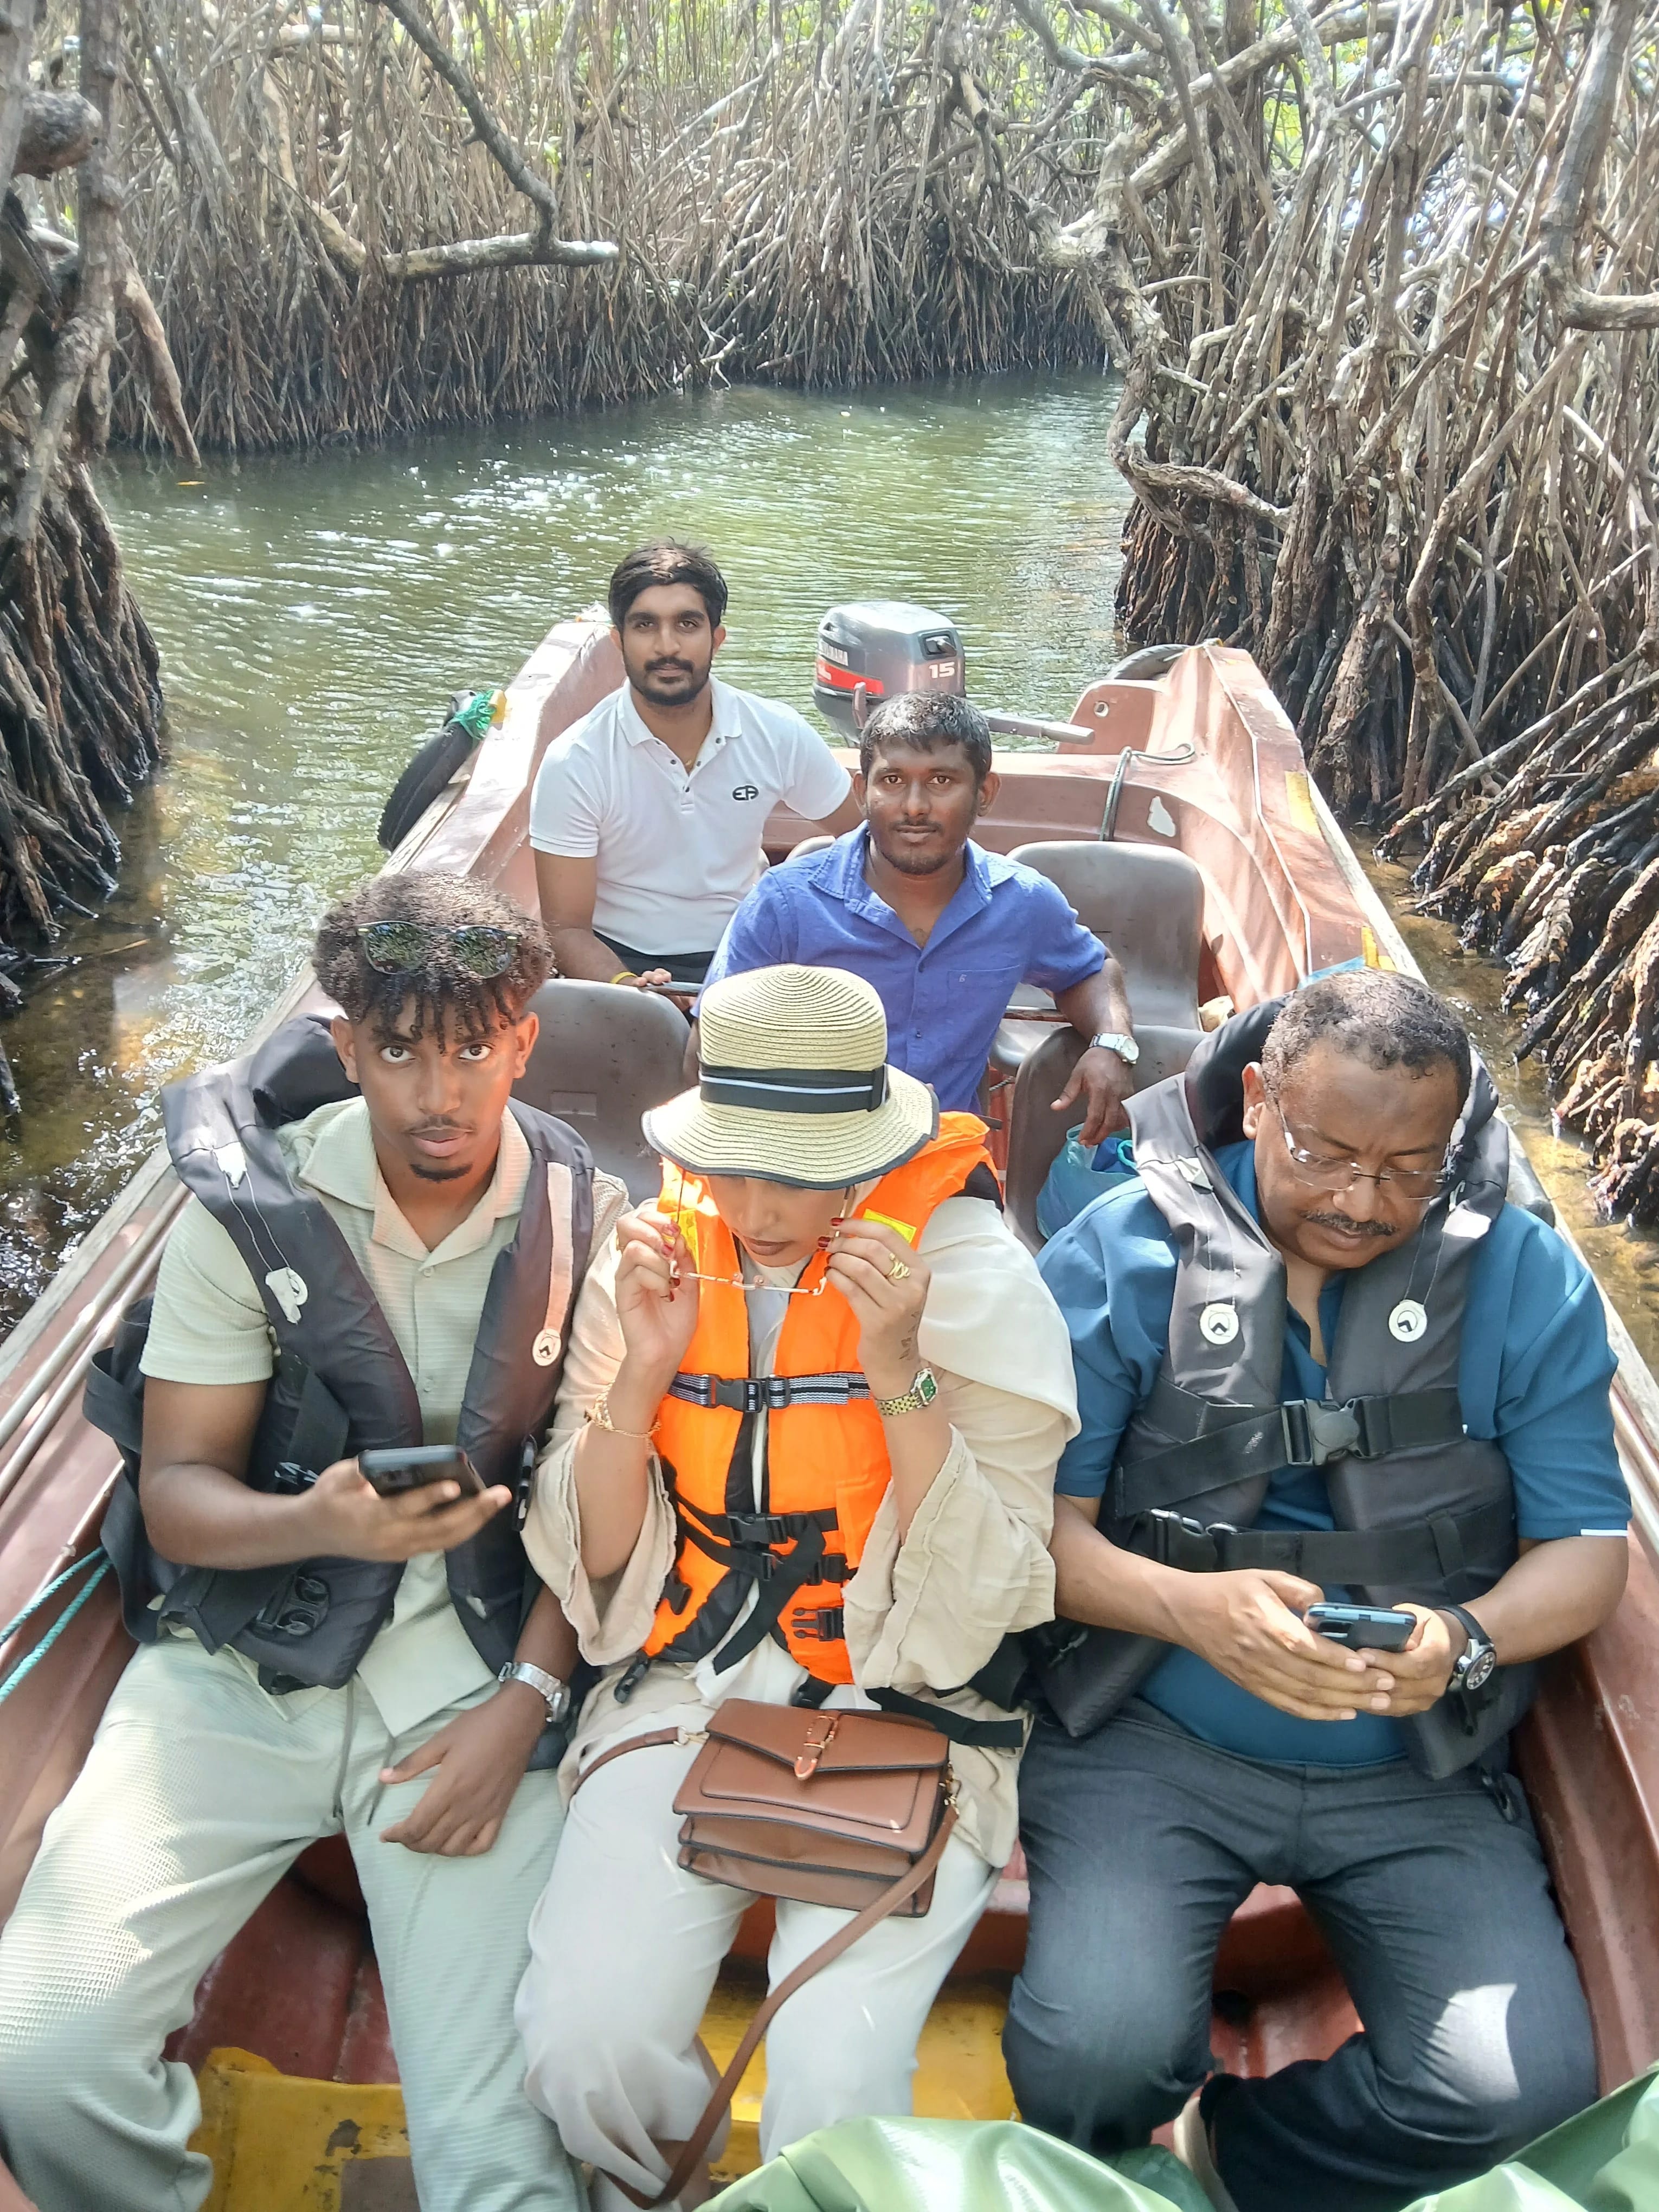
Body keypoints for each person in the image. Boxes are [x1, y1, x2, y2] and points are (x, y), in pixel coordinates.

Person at [0, 873, 633, 2212]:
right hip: (237, 1671)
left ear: (527, 1040)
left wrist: (525, 1705)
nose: (438, 1091)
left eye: (473, 1045)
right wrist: (317, 1520)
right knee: (39, 2059)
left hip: (471, 1673)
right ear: (345, 1047)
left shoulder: (594, 1227)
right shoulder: (247, 1214)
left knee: (501, 2160)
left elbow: (595, 1517)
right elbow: (176, 1489)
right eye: (398, 1047)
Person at [1003, 969, 1630, 2212]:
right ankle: (1130, 2125)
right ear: (1256, 1097)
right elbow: (1033, 1534)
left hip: (1415, 1771)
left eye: (1407, 1167)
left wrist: (1461, 1634)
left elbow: (1589, 1553)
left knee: (1520, 2095)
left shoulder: (1529, 1277)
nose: (1361, 1199)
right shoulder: (1125, 1251)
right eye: (1327, 1151)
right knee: (1090, 2055)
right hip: (1151, 1740)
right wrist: (1194, 1607)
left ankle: (1245, 2146)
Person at [513, 962, 1078, 2210]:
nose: (760, 1207)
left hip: (907, 1701)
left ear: (867, 1149)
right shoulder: (652, 1254)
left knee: (832, 2088)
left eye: (799, 1169)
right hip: (687, 1681)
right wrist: (639, 1376)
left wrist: (898, 1373)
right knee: (582, 2041)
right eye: (737, 1163)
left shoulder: (973, 1277)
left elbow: (992, 1585)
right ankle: (661, 2183)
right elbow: (592, 1551)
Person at [701, 691, 1138, 1142]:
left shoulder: (1022, 901)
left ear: (984, 794)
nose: (914, 806)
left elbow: (1092, 969)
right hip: (801, 1159)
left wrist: (1112, 1043)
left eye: (942, 781)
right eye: (891, 780)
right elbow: (709, 1044)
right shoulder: (785, 903)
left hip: (944, 1162)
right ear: (861, 791)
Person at [530, 540, 861, 989]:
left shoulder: (776, 732)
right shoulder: (576, 761)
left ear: (716, 639)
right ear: (618, 641)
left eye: (687, 624)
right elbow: (566, 929)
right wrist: (631, 989)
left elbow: (866, 842)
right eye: (645, 625)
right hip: (619, 959)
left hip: (750, 949)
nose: (667, 646)